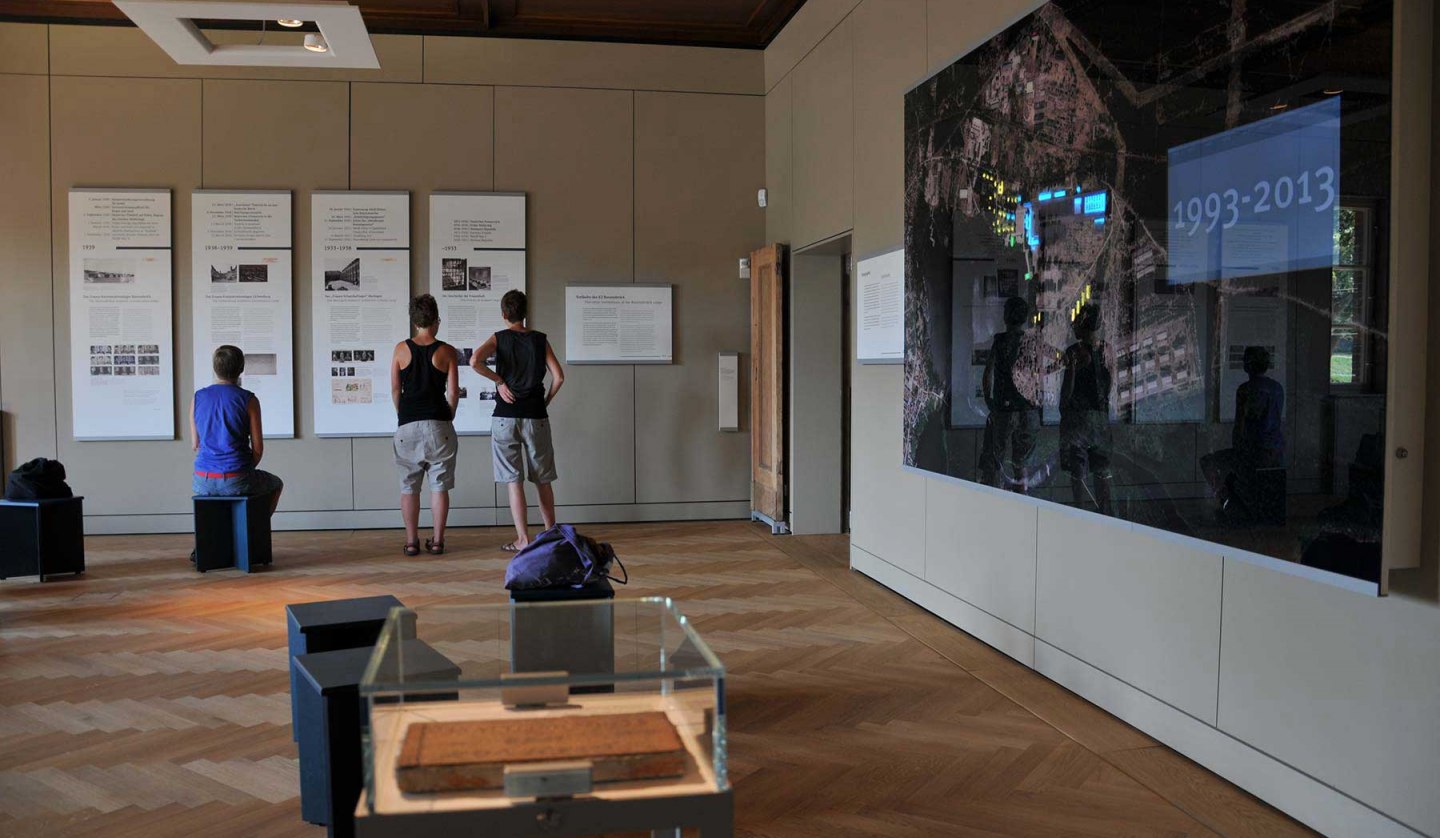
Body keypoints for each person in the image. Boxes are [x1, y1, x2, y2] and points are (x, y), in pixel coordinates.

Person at [471, 290, 565, 552]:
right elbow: (558, 377)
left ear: (504, 314)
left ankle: (523, 539)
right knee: (542, 478)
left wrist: (499, 381)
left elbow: (474, 360)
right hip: (536, 415)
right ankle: (550, 534)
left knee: (514, 480)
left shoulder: (499, 338)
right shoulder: (540, 340)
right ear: (525, 313)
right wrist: (545, 401)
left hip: (505, 416)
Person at [391, 294, 460, 556]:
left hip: (407, 423)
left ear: (414, 320)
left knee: (409, 486)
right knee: (439, 484)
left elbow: (396, 390)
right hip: (439, 423)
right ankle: (438, 541)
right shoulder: (447, 351)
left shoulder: (400, 349)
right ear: (436, 320)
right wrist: (448, 415)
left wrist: (404, 414)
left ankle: (411, 542)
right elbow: (453, 393)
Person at [191, 345, 284, 516]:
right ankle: (256, 527)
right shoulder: (249, 399)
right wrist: (243, 470)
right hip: (237, 476)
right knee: (276, 483)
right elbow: (257, 449)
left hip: (201, 479)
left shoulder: (198, 397)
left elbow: (195, 444)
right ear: (241, 368)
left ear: (215, 368)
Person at [1200, 345, 1285, 518]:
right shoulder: (1277, 388)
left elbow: (1240, 426)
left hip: (1254, 454)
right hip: (1275, 452)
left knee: (1208, 462)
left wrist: (1239, 451)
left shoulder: (1245, 389)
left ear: (1248, 364)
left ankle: (1228, 504)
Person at [979, 296, 1039, 492]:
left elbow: (988, 373)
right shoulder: (1031, 342)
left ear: (1005, 316)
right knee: (1021, 465)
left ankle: (995, 503)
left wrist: (990, 401)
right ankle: (1022, 502)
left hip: (1004, 410)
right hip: (1026, 410)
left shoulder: (1000, 341)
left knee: (997, 460)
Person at [1059, 303, 1113, 514]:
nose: (1073, 325)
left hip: (1077, 419)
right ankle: (1105, 514)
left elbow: (1067, 391)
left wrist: (1064, 407)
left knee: (1078, 472)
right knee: (1102, 470)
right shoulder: (1106, 350)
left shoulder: (1073, 352)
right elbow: (1108, 386)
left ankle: (1079, 514)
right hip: (1100, 419)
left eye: (1076, 321)